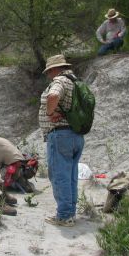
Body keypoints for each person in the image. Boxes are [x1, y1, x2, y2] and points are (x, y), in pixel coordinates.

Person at [39, 54, 85, 227]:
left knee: (59, 176)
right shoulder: (75, 81)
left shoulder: (60, 81)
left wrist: (50, 113)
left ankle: (64, 216)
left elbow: (53, 96)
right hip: (75, 135)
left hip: (60, 135)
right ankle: (70, 212)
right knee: (71, 175)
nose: (48, 75)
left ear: (54, 69)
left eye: (49, 71)